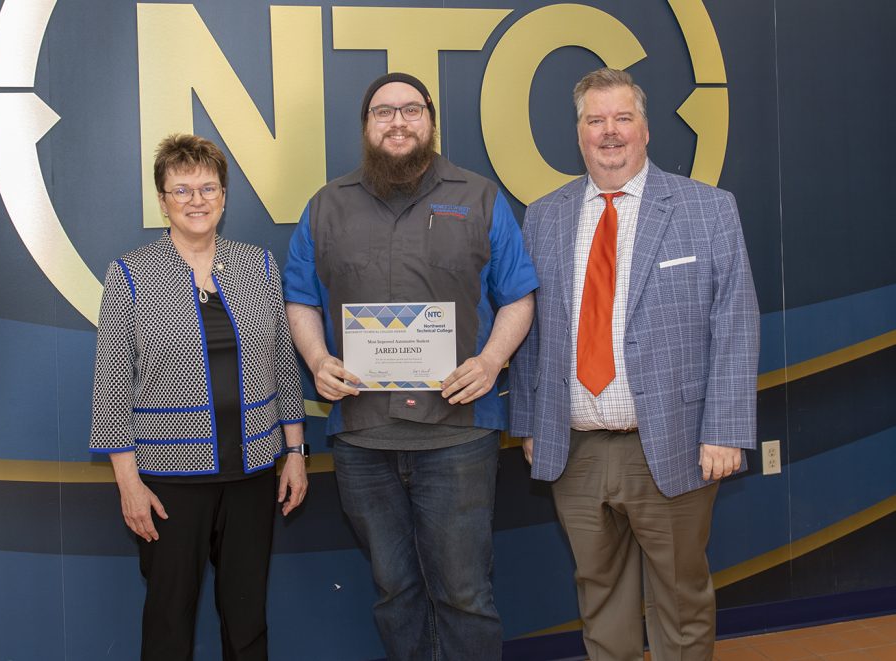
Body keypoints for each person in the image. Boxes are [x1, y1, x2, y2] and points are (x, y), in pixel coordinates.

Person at [282, 72, 538, 660]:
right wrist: (316, 359)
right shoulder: (326, 206)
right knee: (393, 591)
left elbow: (519, 294)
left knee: (465, 593)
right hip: (362, 435)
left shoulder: (480, 197)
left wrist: (493, 360)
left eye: (411, 110)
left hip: (458, 433)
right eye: (383, 112)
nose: (398, 121)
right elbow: (299, 296)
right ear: (366, 126)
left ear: (430, 121)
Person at [509, 68, 759, 659]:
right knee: (600, 597)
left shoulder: (707, 209)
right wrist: (527, 425)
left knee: (679, 598)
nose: (610, 132)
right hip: (575, 448)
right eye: (596, 121)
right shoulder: (544, 216)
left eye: (622, 118)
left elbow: (735, 324)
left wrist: (723, 430)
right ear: (579, 135)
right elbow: (528, 325)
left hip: (671, 442)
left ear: (645, 129)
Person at [89, 134, 307, 661]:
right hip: (168, 485)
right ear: (162, 200)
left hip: (252, 476)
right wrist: (128, 485)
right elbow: (111, 386)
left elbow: (283, 365)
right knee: (168, 622)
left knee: (248, 619)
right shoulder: (131, 275)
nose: (196, 199)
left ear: (225, 197)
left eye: (208, 187)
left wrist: (295, 453)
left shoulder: (257, 266)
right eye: (181, 189)